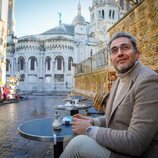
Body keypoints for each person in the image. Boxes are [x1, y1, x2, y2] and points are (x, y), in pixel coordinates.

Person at [59, 32, 158, 158]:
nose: (120, 53)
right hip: (118, 145)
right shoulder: (118, 81)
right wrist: (93, 121)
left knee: (78, 144)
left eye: (125, 47)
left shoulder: (148, 81)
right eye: (114, 50)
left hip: (134, 153)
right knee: (69, 138)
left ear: (137, 54)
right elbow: (115, 119)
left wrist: (89, 129)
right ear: (111, 58)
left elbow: (136, 143)